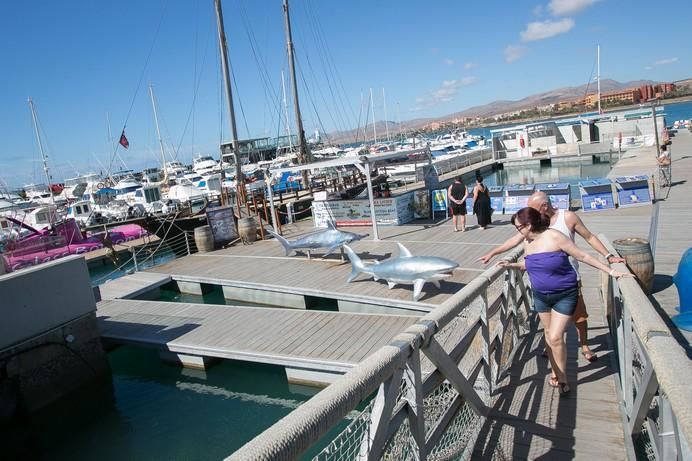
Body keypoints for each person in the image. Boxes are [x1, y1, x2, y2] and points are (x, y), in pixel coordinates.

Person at [497, 207, 631, 396]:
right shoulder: (528, 242)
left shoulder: (555, 237)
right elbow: (532, 264)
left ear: (528, 225)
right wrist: (512, 265)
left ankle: (563, 379)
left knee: (555, 337)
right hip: (541, 295)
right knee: (549, 336)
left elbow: (582, 255)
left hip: (564, 294)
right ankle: (555, 372)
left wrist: (611, 271)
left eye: (519, 228)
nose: (517, 232)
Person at [478, 191, 626, 362]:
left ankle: (584, 345)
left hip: (569, 277)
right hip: (544, 281)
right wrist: (493, 253)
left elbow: (589, 237)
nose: (529, 213)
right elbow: (514, 240)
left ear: (544, 206)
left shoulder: (568, 217)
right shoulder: (533, 223)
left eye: (532, 209)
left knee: (579, 316)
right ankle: (553, 348)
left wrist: (609, 257)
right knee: (550, 323)